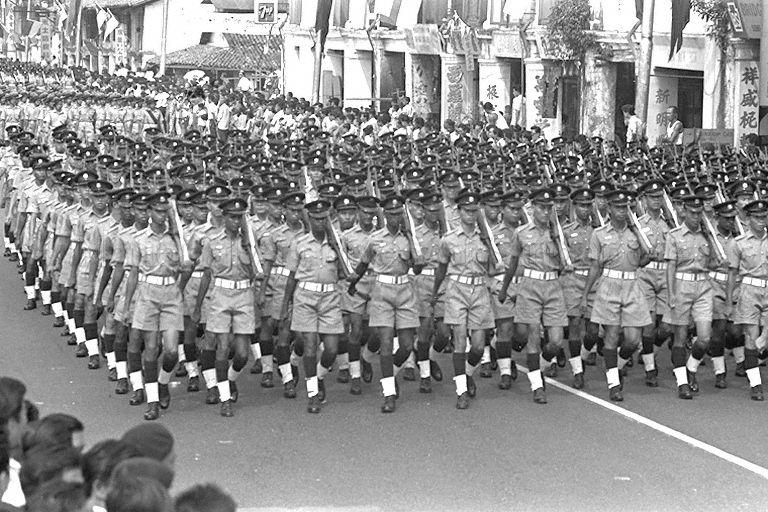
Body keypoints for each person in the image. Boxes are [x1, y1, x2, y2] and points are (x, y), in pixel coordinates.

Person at [581, 189, 652, 402]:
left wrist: (648, 253)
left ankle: (618, 367)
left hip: (632, 284)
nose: (622, 211)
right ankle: (614, 383)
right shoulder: (599, 234)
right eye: (618, 207)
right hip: (609, 285)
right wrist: (585, 294)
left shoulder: (637, 232)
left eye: (625, 207)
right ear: (610, 209)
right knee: (611, 336)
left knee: (633, 340)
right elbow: (595, 266)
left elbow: (643, 260)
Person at [193, 197, 258, 417]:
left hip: (244, 295)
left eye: (240, 217)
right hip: (220, 294)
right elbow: (206, 275)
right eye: (232, 217)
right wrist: (198, 306)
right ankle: (224, 398)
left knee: (242, 354)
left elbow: (256, 271)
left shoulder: (249, 242)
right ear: (225, 217)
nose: (236, 222)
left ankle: (229, 379)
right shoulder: (212, 241)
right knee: (221, 347)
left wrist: (250, 248)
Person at [281, 199, 344, 413]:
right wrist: (285, 305)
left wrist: (339, 250)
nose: (319, 223)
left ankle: (319, 376)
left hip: (330, 298)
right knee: (309, 345)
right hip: (305, 297)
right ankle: (313, 393)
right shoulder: (300, 243)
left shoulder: (337, 242)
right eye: (315, 219)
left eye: (323, 219)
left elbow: (344, 272)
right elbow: (291, 276)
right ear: (309, 219)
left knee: (332, 349)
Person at [726, 199, 768, 401]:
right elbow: (732, 273)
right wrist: (728, 301)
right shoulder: (738, 243)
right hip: (749, 290)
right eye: (757, 217)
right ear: (748, 219)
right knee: (751, 336)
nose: (761, 221)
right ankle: (755, 384)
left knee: (763, 339)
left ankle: (760, 348)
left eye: (764, 217)